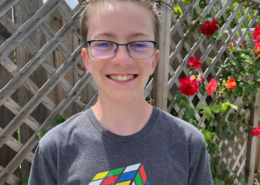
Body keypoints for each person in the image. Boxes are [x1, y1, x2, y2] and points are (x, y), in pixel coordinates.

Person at [28, 0, 213, 184]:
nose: (122, 59)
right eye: (104, 44)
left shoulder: (188, 144)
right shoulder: (56, 150)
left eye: (139, 44)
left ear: (154, 61)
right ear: (87, 60)